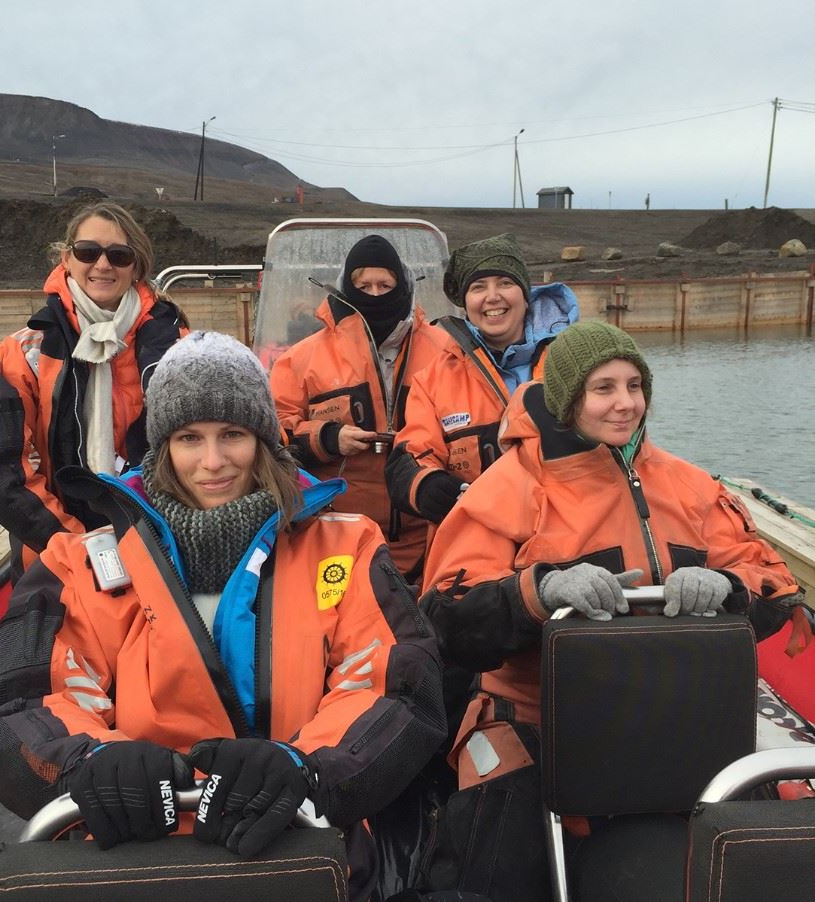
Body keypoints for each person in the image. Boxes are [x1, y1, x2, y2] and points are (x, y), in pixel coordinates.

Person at [0, 331, 447, 902]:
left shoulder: (349, 548)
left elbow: (395, 685)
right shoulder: (80, 563)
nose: (212, 462)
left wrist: (304, 767)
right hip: (134, 856)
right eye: (189, 437)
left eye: (233, 435)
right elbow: (22, 700)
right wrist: (89, 764)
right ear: (162, 448)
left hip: (299, 843)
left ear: (264, 442)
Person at [416, 321, 808, 901]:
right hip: (533, 713)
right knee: (495, 857)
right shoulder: (509, 488)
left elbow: (773, 580)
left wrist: (729, 586)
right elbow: (447, 612)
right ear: (570, 398)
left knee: (766, 852)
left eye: (634, 385)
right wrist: (539, 591)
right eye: (604, 388)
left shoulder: (688, 484)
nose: (625, 403)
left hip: (677, 706)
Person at [0, 201, 185, 581]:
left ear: (137, 267)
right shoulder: (24, 352)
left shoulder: (180, 347)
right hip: (57, 556)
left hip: (164, 545)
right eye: (88, 252)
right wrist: (72, 543)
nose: (103, 264)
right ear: (66, 258)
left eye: (119, 255)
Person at [270, 234, 451, 584]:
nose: (374, 294)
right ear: (345, 287)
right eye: (362, 284)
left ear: (404, 285)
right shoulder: (300, 359)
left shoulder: (447, 350)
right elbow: (274, 431)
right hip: (335, 537)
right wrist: (327, 437)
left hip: (431, 538)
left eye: (385, 284)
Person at [386, 233, 578, 530]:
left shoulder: (576, 360)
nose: (492, 296)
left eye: (505, 283)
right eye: (478, 287)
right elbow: (411, 456)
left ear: (526, 296)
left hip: (574, 533)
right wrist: (426, 484)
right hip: (479, 543)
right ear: (464, 303)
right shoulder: (431, 380)